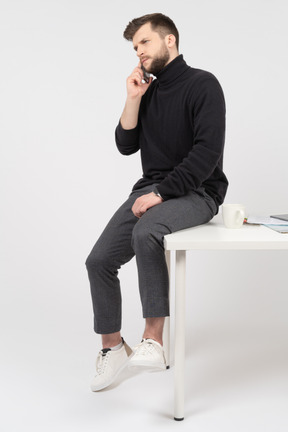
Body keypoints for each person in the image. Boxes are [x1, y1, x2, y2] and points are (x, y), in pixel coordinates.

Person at [86, 13, 228, 391]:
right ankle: (112, 347)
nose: (139, 53)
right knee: (98, 260)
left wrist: (162, 194)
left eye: (144, 43)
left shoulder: (203, 84)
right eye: (135, 48)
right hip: (151, 188)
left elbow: (207, 152)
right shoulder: (147, 90)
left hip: (198, 190)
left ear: (169, 41)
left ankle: (154, 340)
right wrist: (133, 98)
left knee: (148, 232)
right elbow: (125, 145)